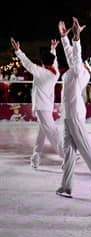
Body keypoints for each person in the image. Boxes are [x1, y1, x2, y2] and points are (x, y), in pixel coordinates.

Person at [56, 18, 91, 198]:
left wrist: (76, 38)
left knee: (83, 147)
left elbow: (75, 56)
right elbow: (71, 55)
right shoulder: (76, 70)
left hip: (74, 114)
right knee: (69, 151)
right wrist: (64, 38)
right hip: (68, 114)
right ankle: (66, 186)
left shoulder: (79, 71)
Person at [10, 37, 63, 168]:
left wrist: (18, 51)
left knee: (48, 132)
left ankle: (38, 156)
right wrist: (53, 49)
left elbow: (28, 64)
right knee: (50, 131)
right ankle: (64, 155)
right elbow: (54, 62)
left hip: (41, 107)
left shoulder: (41, 72)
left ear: (42, 62)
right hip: (45, 107)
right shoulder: (54, 72)